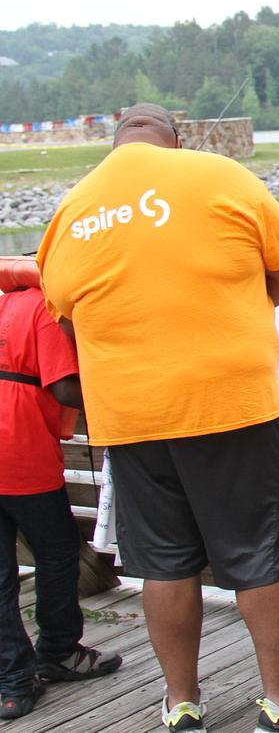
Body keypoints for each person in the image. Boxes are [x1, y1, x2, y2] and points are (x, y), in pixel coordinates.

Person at [37, 103, 279, 733]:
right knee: (261, 554)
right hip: (233, 403)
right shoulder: (221, 175)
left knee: (163, 562)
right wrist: (237, 313)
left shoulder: (73, 209)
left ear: (115, 144)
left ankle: (181, 702)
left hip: (132, 417)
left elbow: (65, 314)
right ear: (177, 139)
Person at [1, 277, 121, 720]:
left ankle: (13, 680)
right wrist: (124, 394)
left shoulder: (5, 303)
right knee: (56, 553)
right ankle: (58, 651)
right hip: (20, 450)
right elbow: (65, 389)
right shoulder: (44, 310)